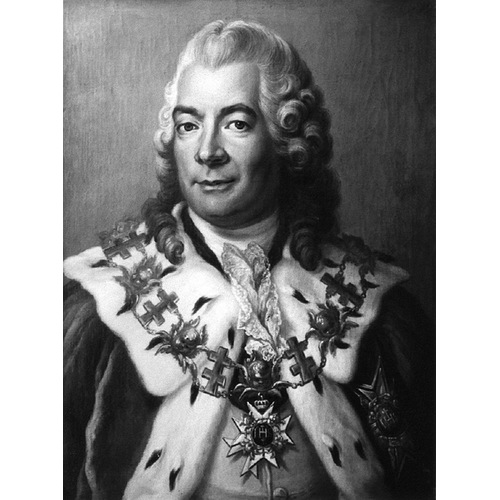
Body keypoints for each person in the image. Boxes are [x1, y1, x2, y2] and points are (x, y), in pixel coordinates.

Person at [63, 20, 434, 500]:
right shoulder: (95, 312)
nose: (207, 152)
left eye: (236, 124)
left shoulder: (380, 311)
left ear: (286, 140)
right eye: (189, 125)